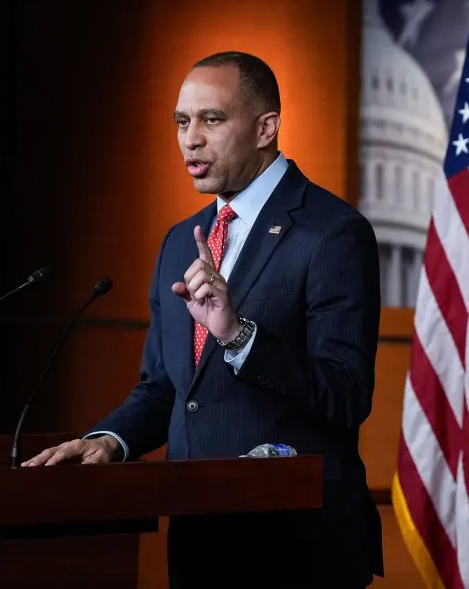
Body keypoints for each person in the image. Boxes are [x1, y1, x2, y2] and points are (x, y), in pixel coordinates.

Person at [24, 51, 383, 588]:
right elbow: (165, 387)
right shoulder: (180, 242)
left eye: (211, 119)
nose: (190, 139)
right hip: (199, 539)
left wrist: (238, 336)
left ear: (267, 128)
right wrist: (108, 441)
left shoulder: (331, 232)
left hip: (298, 545)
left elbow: (347, 394)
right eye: (181, 121)